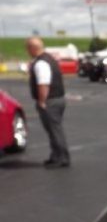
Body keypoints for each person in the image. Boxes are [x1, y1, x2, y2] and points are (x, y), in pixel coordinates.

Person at [26, 37, 70, 168]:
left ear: (33, 48)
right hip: (58, 98)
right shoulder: (50, 59)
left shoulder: (41, 63)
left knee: (54, 130)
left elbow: (43, 84)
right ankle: (55, 155)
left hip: (50, 101)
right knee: (53, 129)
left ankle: (61, 157)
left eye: (28, 48)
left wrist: (41, 101)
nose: (27, 51)